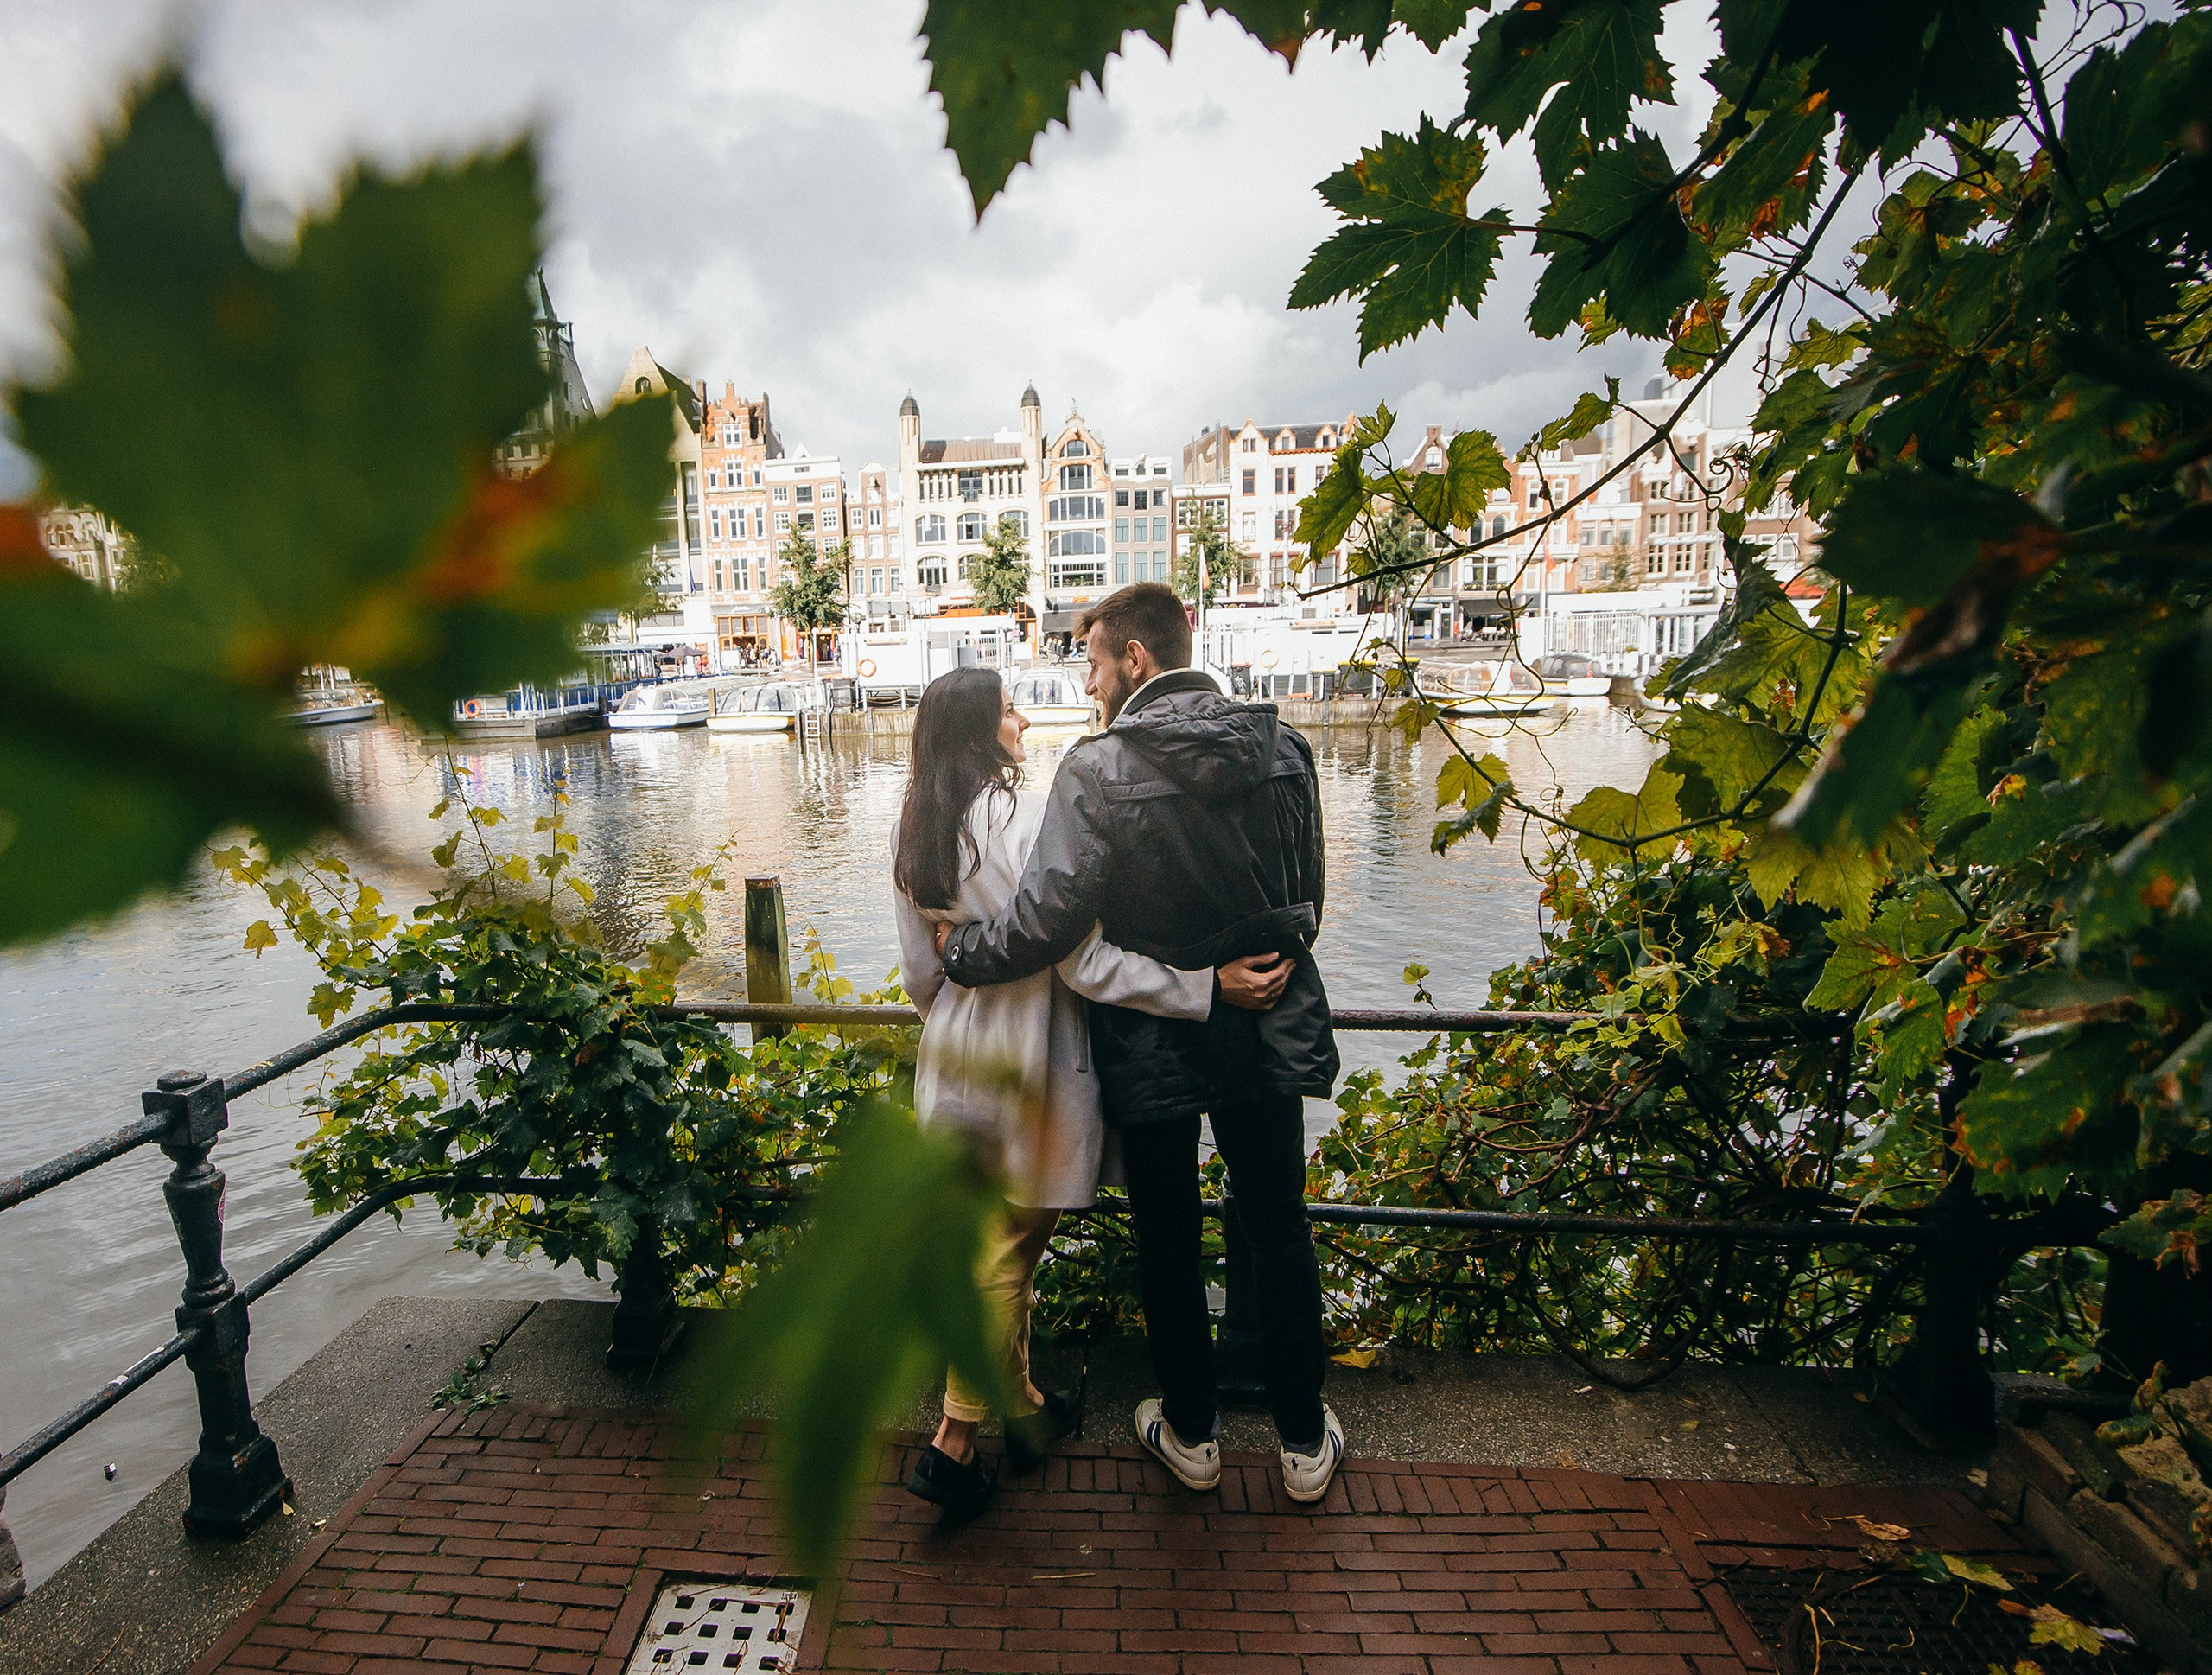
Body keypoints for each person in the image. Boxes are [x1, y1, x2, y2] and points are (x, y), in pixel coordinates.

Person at [937, 582, 1346, 1506]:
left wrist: (963, 952)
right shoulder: (1285, 749)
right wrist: (1244, 968)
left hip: (1151, 1039)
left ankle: (1192, 1434)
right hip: (1261, 1017)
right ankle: (1300, 1438)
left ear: (1135, 659)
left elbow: (1045, 919)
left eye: (1090, 662)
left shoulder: (1095, 769)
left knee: (1166, 1233)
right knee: (1278, 1224)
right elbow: (1305, 896)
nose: (1084, 686)